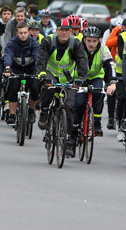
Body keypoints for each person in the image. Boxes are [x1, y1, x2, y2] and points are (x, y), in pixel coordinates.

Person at [36, 18, 88, 155]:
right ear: (57, 30)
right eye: (62, 30)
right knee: (49, 87)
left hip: (69, 78)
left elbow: (82, 61)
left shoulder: (76, 43)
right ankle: (45, 111)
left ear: (71, 31)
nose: (64, 33)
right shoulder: (48, 41)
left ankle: (67, 138)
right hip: (51, 74)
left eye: (67, 30)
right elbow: (41, 59)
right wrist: (42, 74)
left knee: (70, 106)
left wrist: (81, 79)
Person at [74, 26, 116, 138]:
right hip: (80, 78)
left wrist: (112, 82)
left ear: (99, 41)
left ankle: (97, 122)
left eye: (94, 41)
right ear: (84, 40)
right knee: (79, 103)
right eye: (88, 41)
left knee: (99, 94)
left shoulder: (103, 49)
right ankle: (76, 125)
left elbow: (110, 65)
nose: (91, 44)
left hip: (96, 76)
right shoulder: (78, 48)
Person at [2, 21, 40, 125]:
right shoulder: (12, 43)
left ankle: (31, 110)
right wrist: (8, 68)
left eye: (25, 32)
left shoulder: (34, 43)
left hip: (31, 70)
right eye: (20, 33)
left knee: (35, 88)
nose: (23, 35)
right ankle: (12, 114)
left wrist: (39, 69)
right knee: (13, 88)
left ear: (28, 32)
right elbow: (8, 54)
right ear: (17, 33)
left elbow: (37, 56)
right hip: (16, 70)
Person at [110, 16, 126, 130]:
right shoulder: (122, 36)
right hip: (121, 71)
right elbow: (121, 53)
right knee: (122, 97)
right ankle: (120, 123)